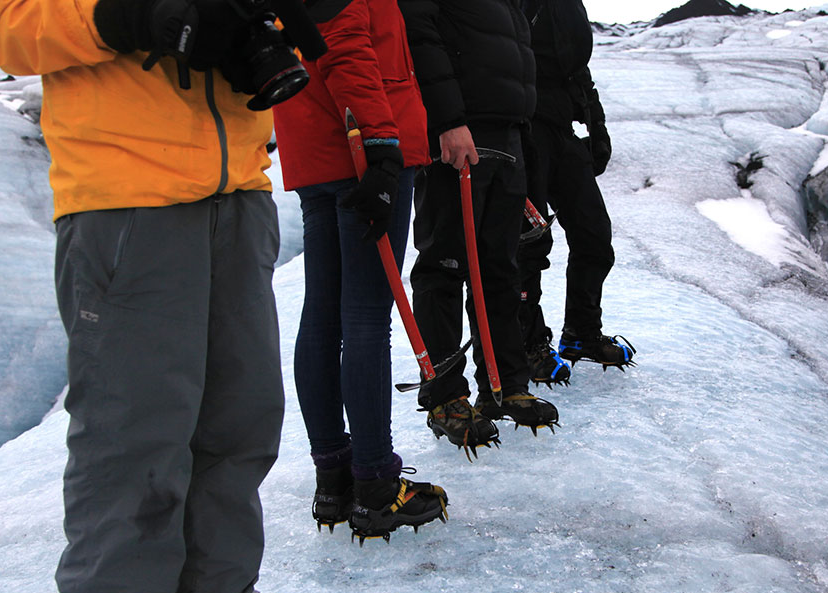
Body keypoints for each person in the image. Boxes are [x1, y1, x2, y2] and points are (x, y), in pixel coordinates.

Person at [0, 0, 328, 593]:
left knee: (241, 415)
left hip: (240, 190)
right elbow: (3, 23)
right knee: (135, 428)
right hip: (125, 194)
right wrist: (133, 16)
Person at [271, 0, 449, 543]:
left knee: (323, 317)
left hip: (314, 147)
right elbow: (345, 46)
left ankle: (334, 479)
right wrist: (381, 145)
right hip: (360, 149)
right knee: (367, 318)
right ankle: (375, 483)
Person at [398, 0, 559, 456]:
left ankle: (504, 385)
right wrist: (448, 121)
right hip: (459, 135)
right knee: (444, 267)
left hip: (506, 135)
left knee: (500, 270)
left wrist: (521, 131)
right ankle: (446, 398)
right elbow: (421, 35)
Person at [517, 0, 635, 387]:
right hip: (522, 127)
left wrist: (595, 124)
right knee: (529, 245)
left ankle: (581, 333)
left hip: (561, 128)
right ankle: (528, 345)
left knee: (594, 236)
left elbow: (576, 68)